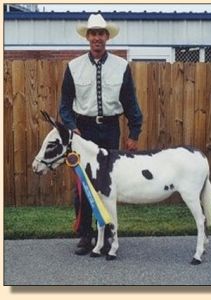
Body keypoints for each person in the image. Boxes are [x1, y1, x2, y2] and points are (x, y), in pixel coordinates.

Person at [59, 13, 143, 255]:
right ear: (88, 37)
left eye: (101, 33)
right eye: (93, 33)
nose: (97, 38)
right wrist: (71, 125)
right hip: (83, 131)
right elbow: (65, 104)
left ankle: (106, 235)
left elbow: (130, 103)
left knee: (107, 185)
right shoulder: (73, 67)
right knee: (82, 185)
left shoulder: (121, 67)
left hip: (110, 129)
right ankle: (86, 236)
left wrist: (134, 132)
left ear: (107, 37)